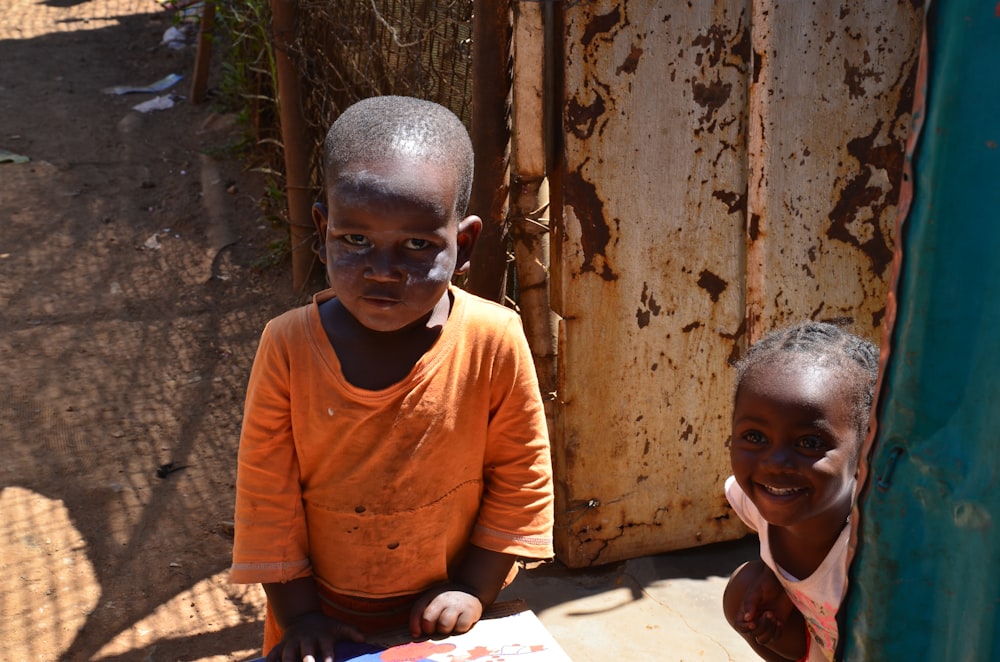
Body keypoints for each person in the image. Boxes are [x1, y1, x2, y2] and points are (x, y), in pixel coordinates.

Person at [230, 95, 555, 662]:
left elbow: (521, 472)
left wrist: (472, 589)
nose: (383, 269)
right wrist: (300, 616)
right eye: (355, 240)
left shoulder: (493, 339)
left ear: (465, 245)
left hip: (446, 616)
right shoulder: (287, 346)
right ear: (322, 229)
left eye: (417, 245)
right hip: (314, 612)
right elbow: (267, 495)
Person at [722, 321, 879, 661]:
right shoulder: (754, 498)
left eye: (809, 442)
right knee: (741, 591)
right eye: (754, 437)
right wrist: (775, 577)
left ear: (865, 450)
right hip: (826, 646)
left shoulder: (876, 553)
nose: (775, 463)